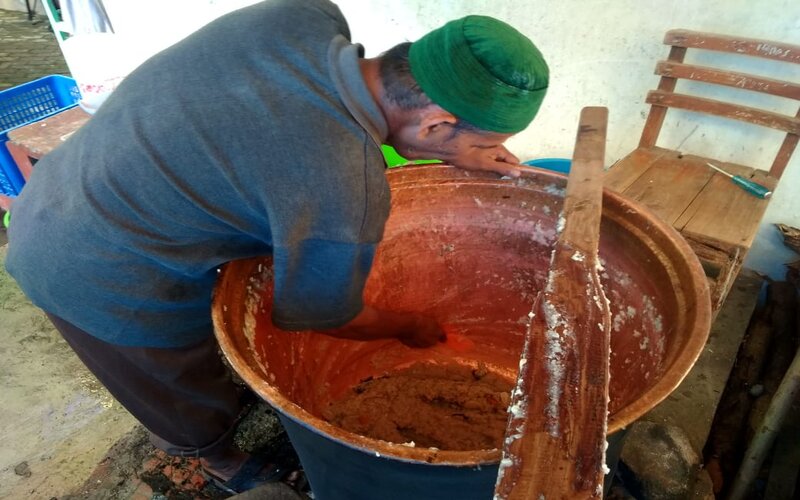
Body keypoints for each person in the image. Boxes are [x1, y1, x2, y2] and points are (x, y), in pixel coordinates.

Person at [5, 0, 549, 494]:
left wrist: (462, 151)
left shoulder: (302, 15)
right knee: (173, 381)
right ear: (436, 123)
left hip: (70, 179)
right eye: (485, 144)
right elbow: (320, 314)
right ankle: (214, 457)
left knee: (198, 356)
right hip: (86, 263)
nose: (489, 155)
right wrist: (409, 327)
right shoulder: (344, 185)